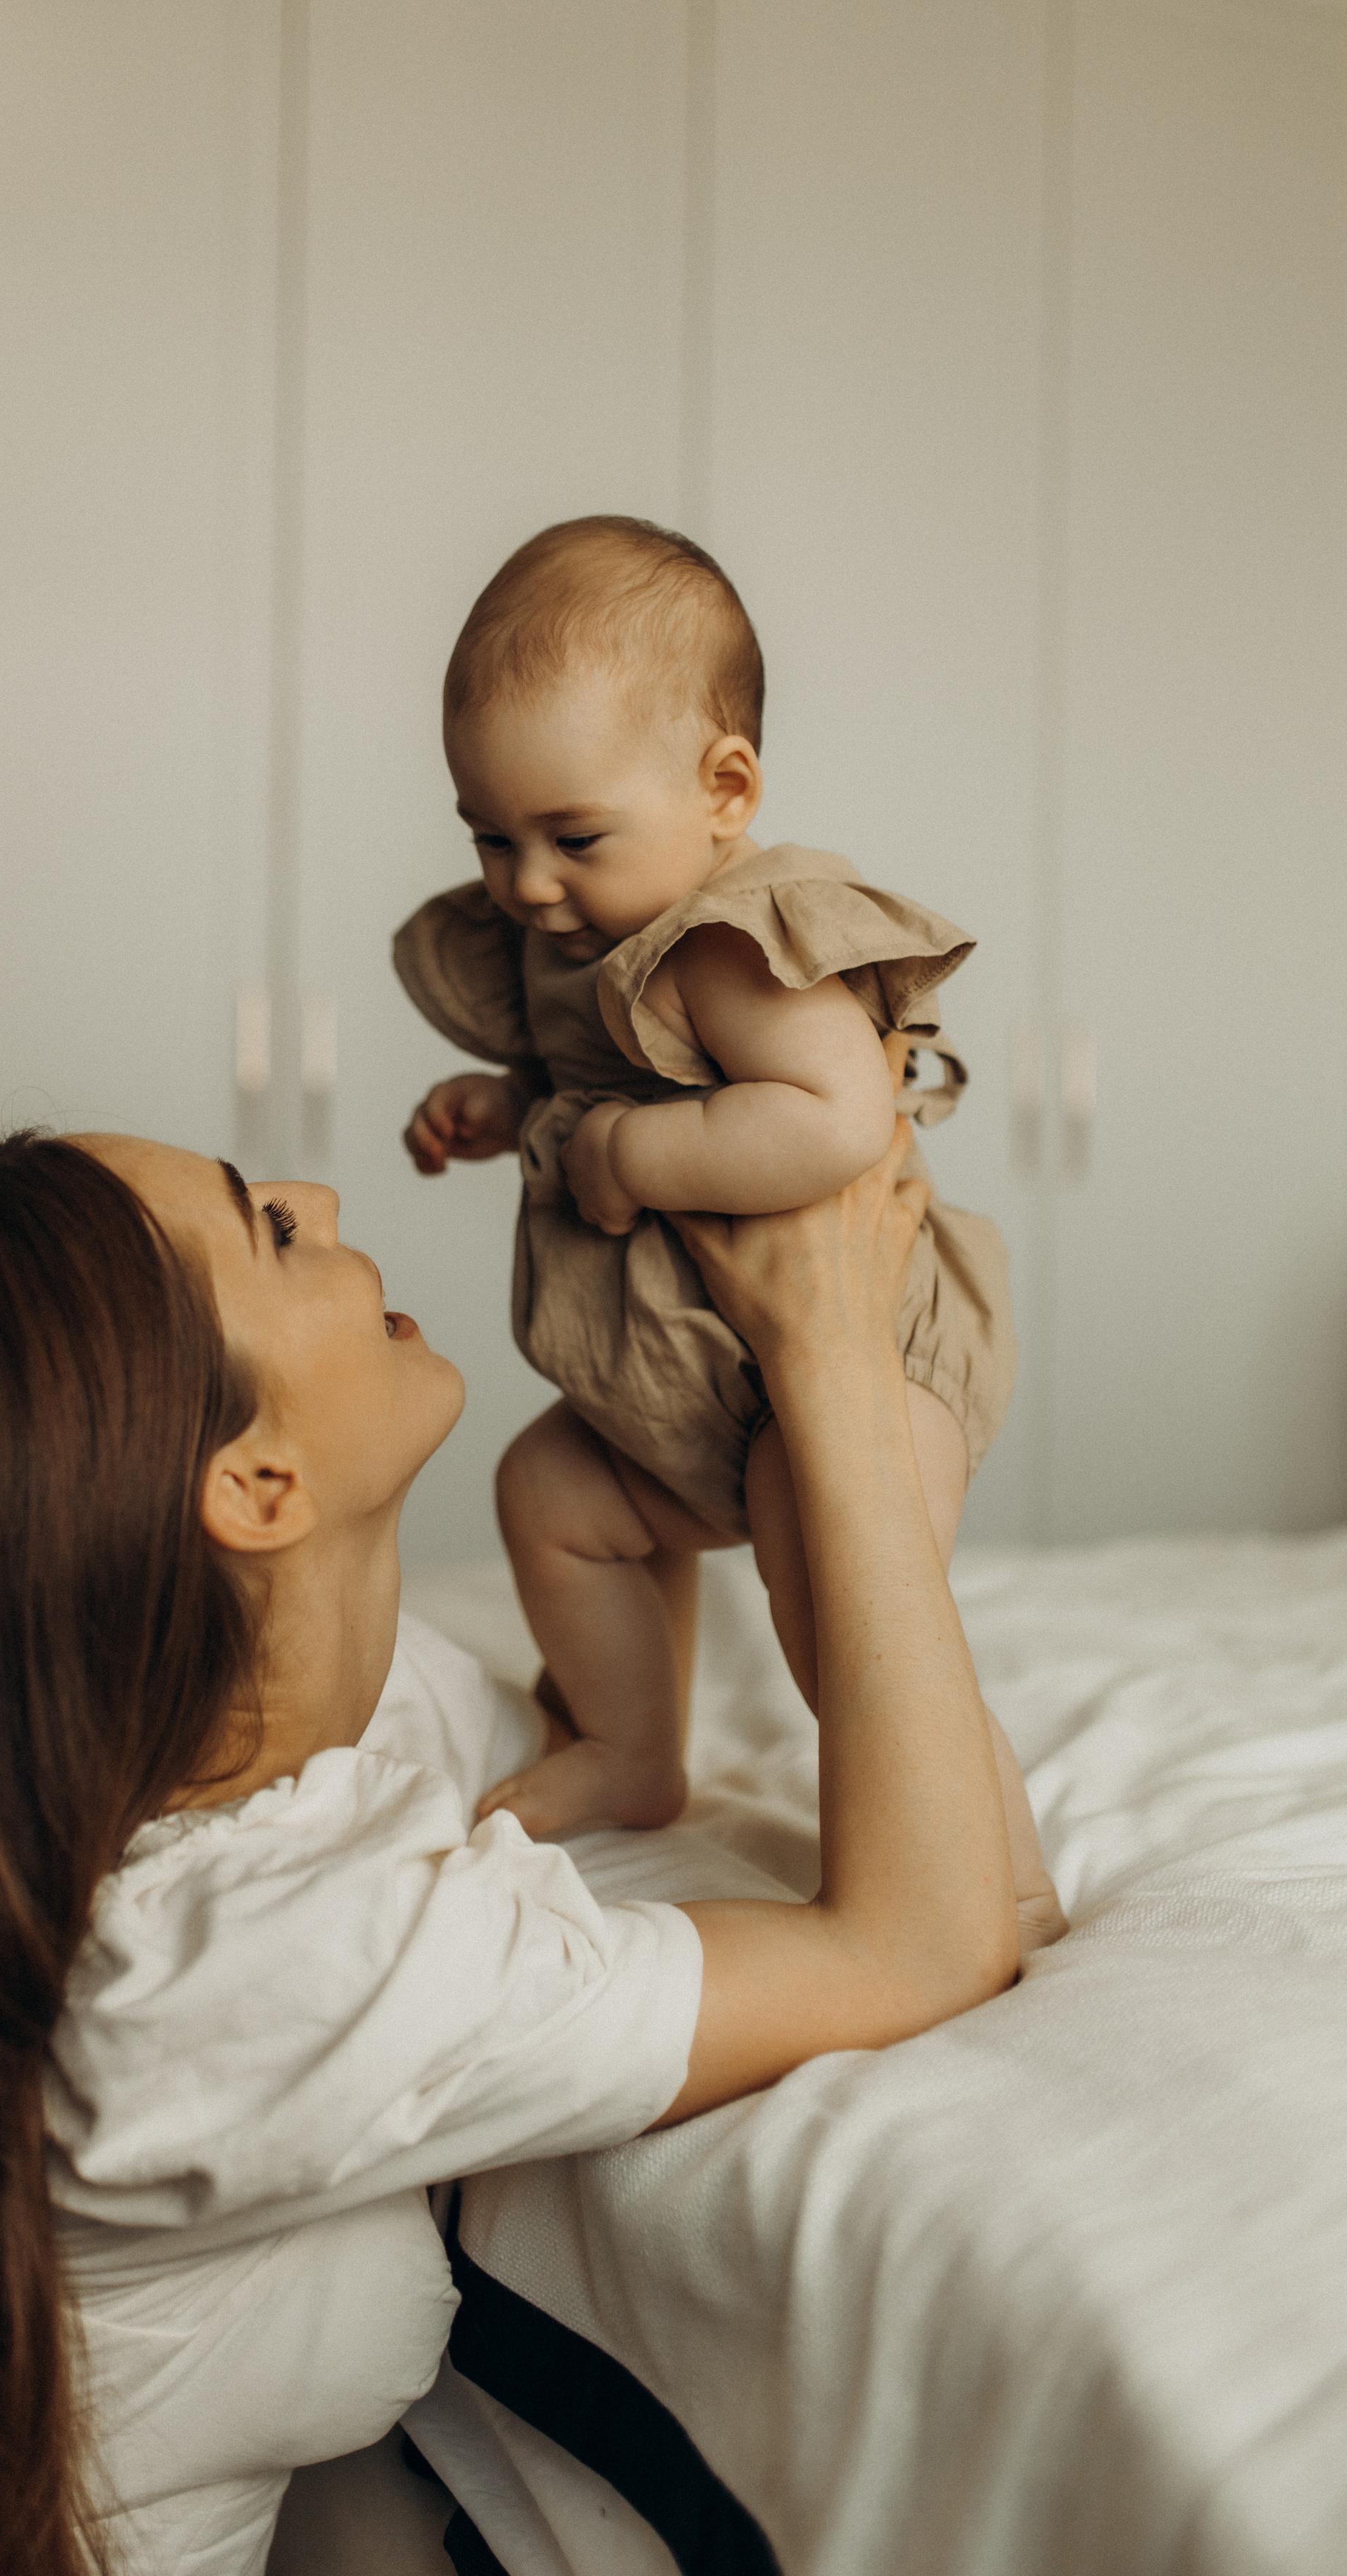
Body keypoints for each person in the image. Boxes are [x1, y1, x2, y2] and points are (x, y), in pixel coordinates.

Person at [0, 1117, 1019, 2576]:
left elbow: (584, 1761)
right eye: (265, 1228)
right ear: (254, 1485)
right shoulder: (219, 1976)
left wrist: (657, 1365)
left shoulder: (265, 1748)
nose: (322, 1197)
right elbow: (920, 1944)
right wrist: (835, 1367)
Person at [398, 514, 1062, 1949]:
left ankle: (1001, 1875)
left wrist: (632, 1148)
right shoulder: (572, 939)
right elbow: (583, 1081)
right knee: (549, 1497)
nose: (524, 882)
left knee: (842, 1621)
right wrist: (502, 1105)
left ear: (723, 787)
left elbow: (834, 1121)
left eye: (569, 837)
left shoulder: (731, 942)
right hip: (685, 1391)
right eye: (489, 838)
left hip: (857, 1365)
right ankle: (636, 1752)